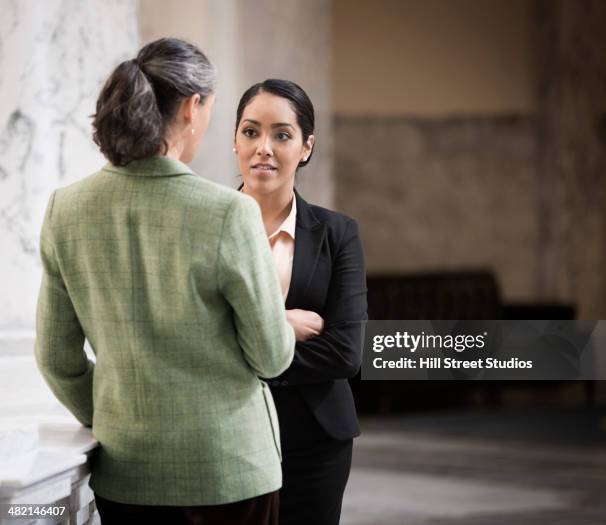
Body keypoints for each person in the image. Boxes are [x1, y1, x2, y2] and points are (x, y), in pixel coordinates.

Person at [35, 39, 295, 525]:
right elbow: (271, 356)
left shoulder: (65, 210)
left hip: (128, 473)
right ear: (193, 107)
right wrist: (283, 323)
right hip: (229, 471)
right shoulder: (229, 213)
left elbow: (55, 358)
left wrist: (121, 414)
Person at [233, 79, 368, 525]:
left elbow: (345, 352)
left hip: (316, 442)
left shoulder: (338, 234)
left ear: (306, 147)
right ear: (235, 140)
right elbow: (187, 340)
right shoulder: (202, 229)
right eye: (251, 132)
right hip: (226, 434)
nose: (263, 148)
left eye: (282, 134)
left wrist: (241, 349)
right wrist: (279, 324)